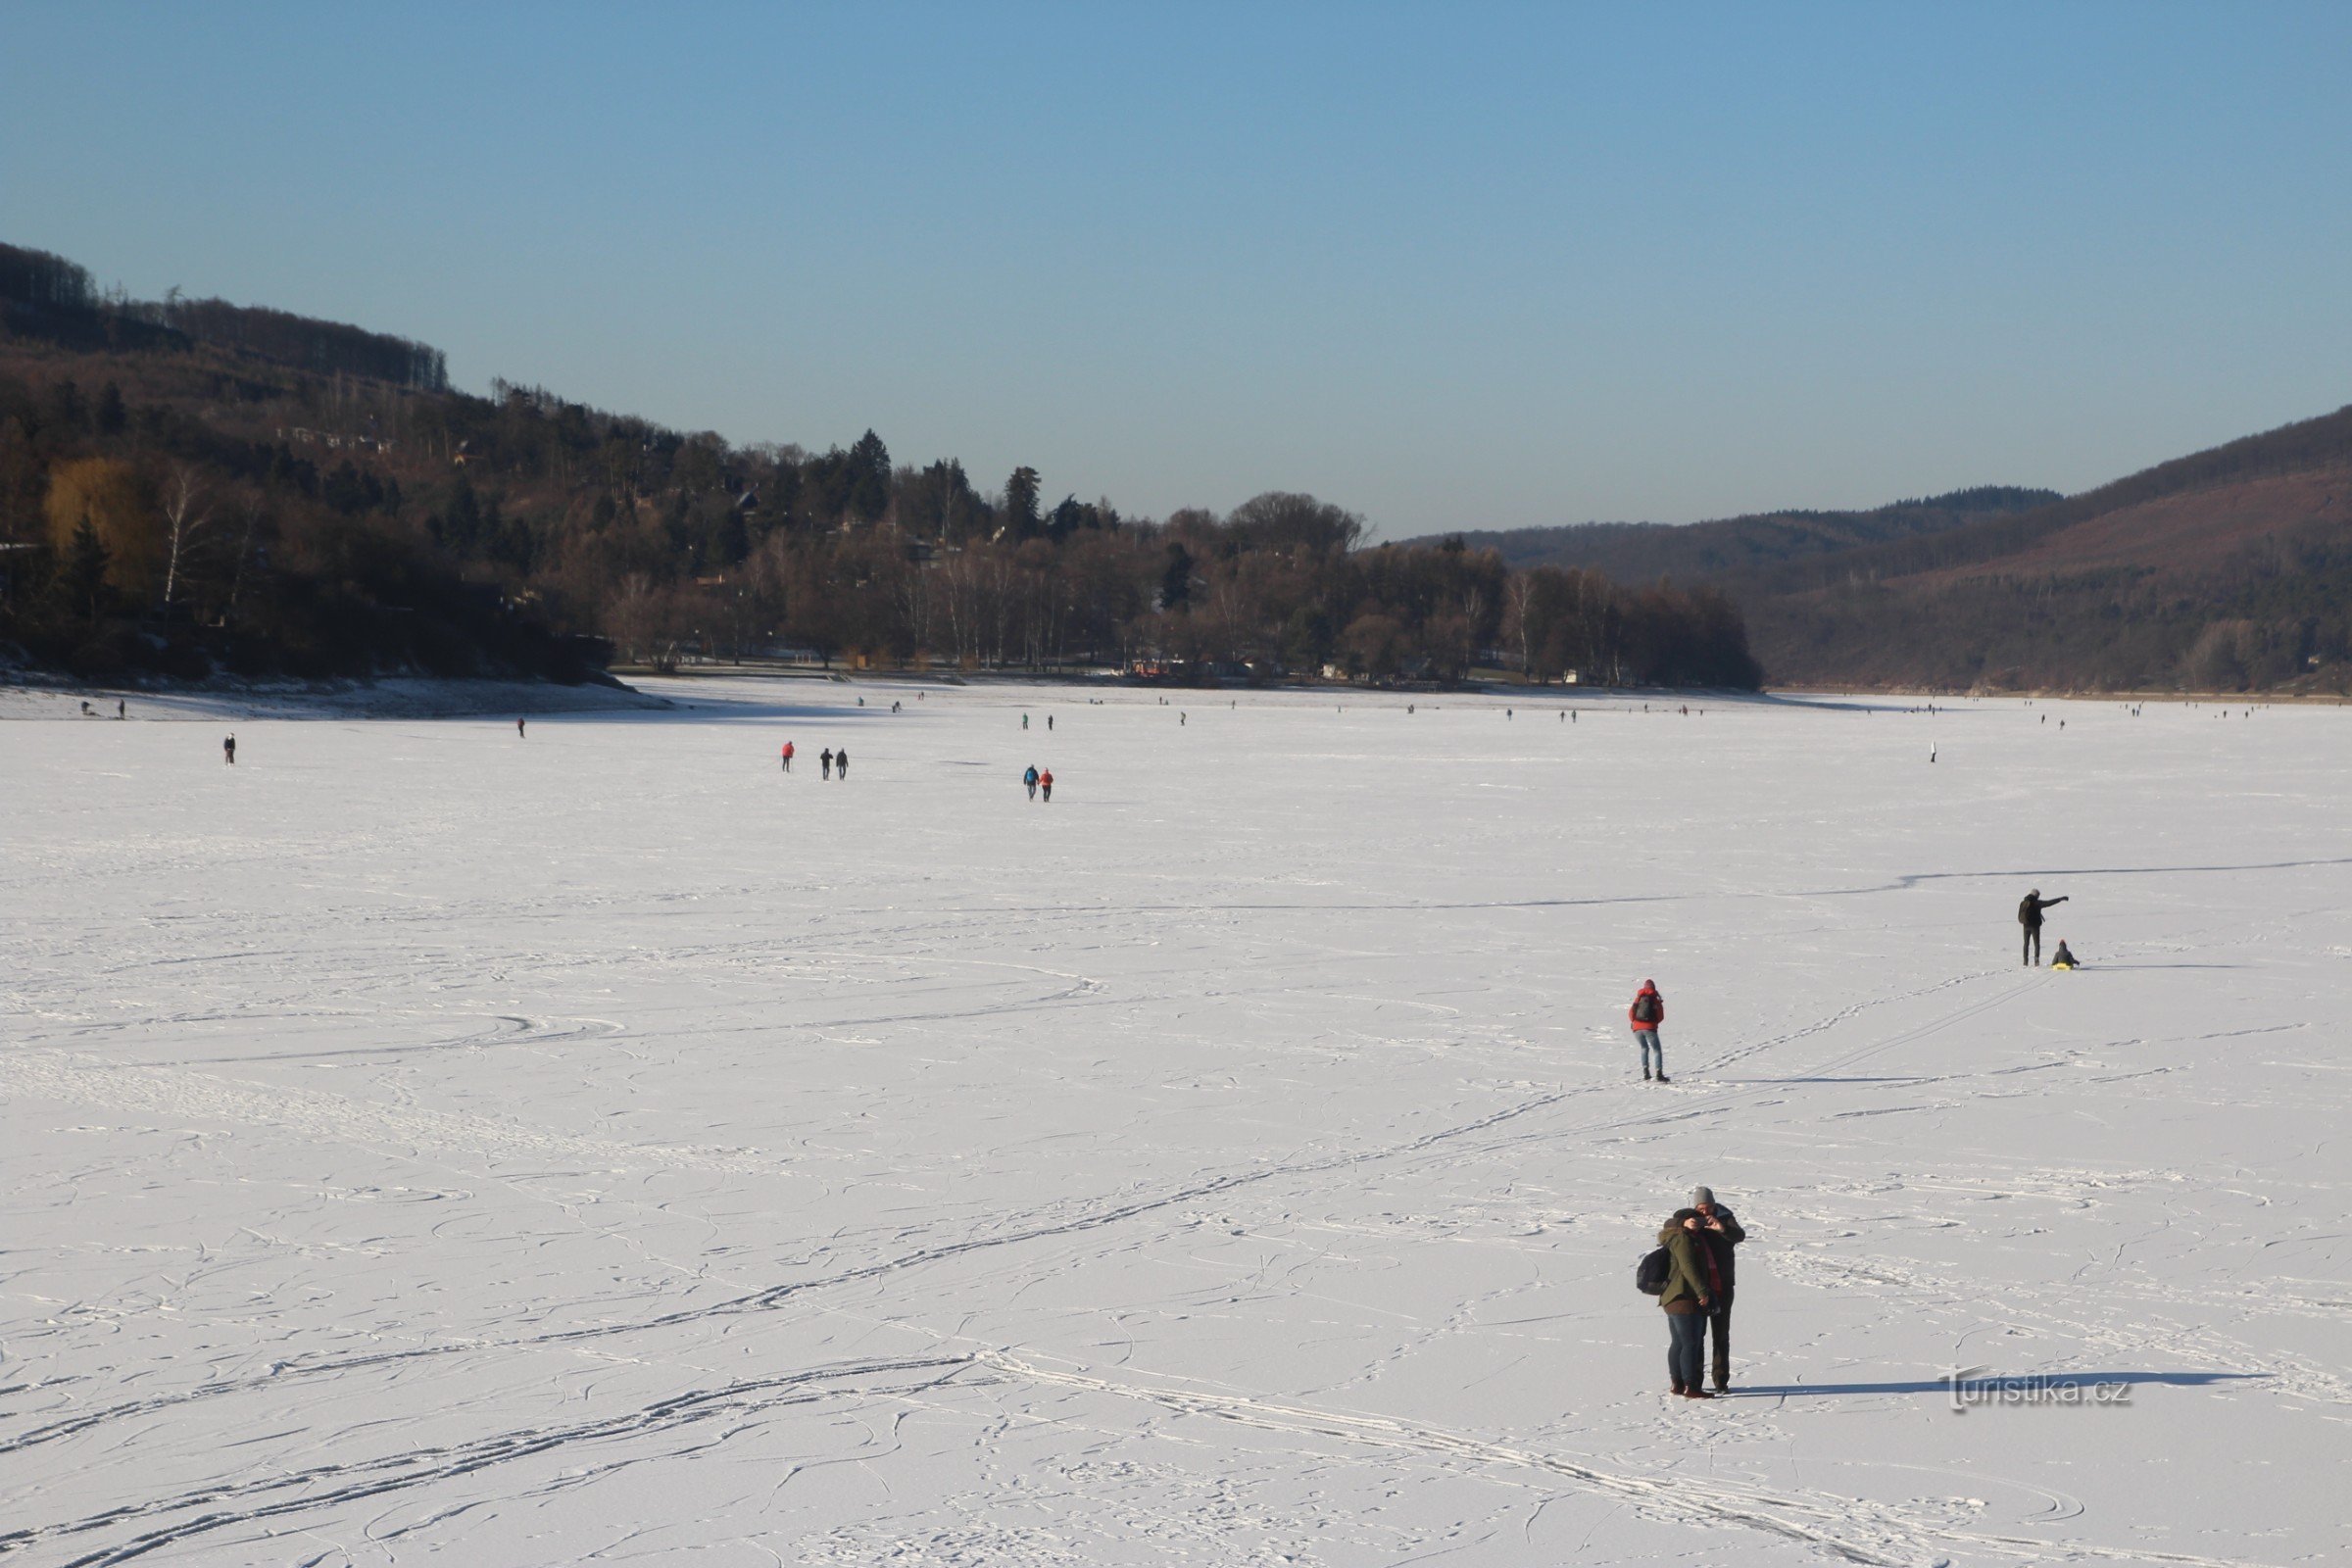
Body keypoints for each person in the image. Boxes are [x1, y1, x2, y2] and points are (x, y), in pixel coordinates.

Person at [1656, 1206, 1720, 1398]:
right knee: (1690, 1343)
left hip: (1672, 1298)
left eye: (1699, 1220)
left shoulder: (1674, 1237)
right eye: (1691, 1219)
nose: (1696, 1222)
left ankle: (1677, 1384)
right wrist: (1703, 1291)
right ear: (1681, 1222)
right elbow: (1688, 1267)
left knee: (1679, 1342)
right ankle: (1691, 1386)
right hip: (1684, 1297)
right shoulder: (1683, 1238)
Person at [1689, 1187, 1745, 1393]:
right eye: (1702, 1208)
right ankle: (1695, 1381)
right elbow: (1668, 1231)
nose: (1706, 1213)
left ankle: (1721, 1380)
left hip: (1723, 1285)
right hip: (1699, 1288)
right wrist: (1687, 1225)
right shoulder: (1688, 1218)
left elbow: (1739, 1235)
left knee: (1721, 1334)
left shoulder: (1725, 1216)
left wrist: (1722, 1229)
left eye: (1709, 1207)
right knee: (1697, 1335)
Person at [2018, 888, 2069, 966]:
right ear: (2036, 896)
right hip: (2035, 927)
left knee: (2026, 944)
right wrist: (2060, 899)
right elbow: (2049, 903)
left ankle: (2025, 962)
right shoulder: (2037, 903)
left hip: (2025, 926)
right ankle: (2036, 962)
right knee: (2037, 944)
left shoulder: (2023, 902)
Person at [1630, 979, 1667, 1082]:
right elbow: (1660, 1017)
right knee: (1657, 1050)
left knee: (1644, 1048)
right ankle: (1659, 1074)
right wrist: (1653, 1023)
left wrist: (1635, 1023)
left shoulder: (1639, 997)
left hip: (1636, 1029)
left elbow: (1631, 1013)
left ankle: (1646, 1073)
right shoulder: (1655, 999)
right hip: (1650, 1028)